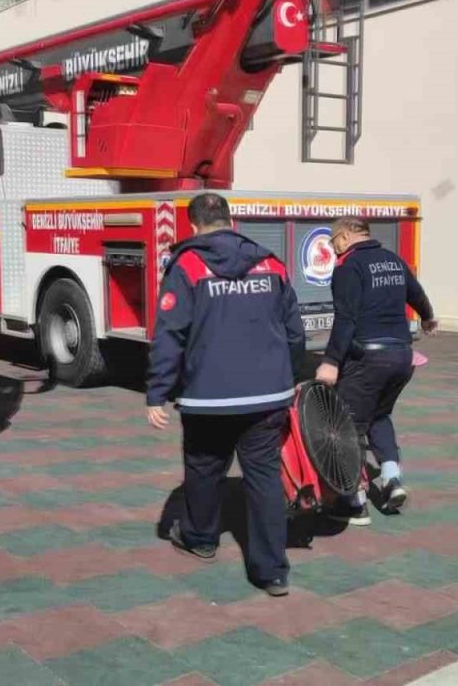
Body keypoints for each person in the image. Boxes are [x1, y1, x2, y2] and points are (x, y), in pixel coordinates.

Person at [146, 192, 306, 597]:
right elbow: (294, 330)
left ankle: (200, 538)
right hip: (268, 397)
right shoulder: (270, 261)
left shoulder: (187, 264)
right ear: (232, 222)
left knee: (203, 468)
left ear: (194, 226)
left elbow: (170, 334)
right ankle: (272, 572)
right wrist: (288, 377)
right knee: (265, 477)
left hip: (207, 398)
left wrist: (157, 393)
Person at [315, 216, 437, 525]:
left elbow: (346, 319)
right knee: (379, 416)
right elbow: (417, 294)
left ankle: (354, 502)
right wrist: (427, 317)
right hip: (402, 357)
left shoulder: (348, 268)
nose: (333, 249)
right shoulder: (393, 261)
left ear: (343, 237)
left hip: (368, 358)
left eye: (332, 242)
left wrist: (330, 361)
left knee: (348, 425)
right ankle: (392, 478)